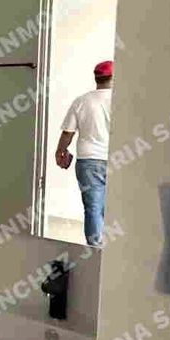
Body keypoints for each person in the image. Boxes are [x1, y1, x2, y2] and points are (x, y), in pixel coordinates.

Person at [55, 60, 113, 246]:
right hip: (120, 157)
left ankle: (95, 250)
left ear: (96, 78)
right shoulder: (123, 100)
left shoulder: (82, 101)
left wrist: (61, 151)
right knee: (117, 206)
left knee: (93, 208)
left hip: (89, 160)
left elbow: (68, 132)